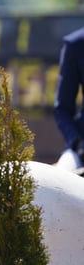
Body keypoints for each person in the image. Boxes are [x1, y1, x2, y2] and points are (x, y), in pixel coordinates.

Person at [53, 26, 84, 173]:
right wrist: (77, 142)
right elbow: (63, 109)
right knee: (62, 175)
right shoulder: (76, 44)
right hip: (81, 147)